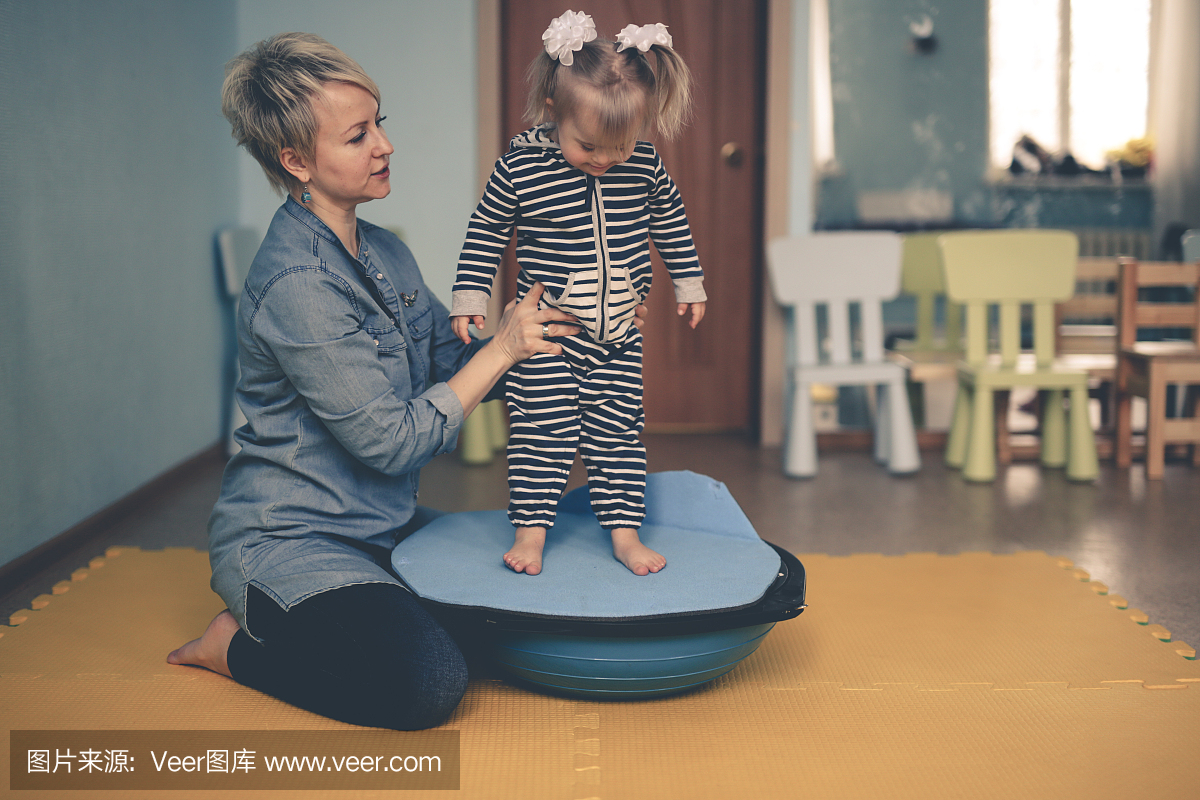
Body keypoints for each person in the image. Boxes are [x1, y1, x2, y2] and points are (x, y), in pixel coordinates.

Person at [166, 32, 645, 731]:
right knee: (430, 684)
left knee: (520, 621)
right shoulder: (297, 283)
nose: (384, 145)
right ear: (295, 160)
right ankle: (232, 648)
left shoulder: (384, 249)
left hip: (384, 530)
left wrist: (558, 329)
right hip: (293, 545)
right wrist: (503, 351)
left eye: (379, 123)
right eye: (358, 136)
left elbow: (450, 368)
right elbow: (390, 443)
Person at [449, 11, 706, 578]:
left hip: (616, 337)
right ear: (552, 111)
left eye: (620, 145)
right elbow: (486, 229)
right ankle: (532, 533)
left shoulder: (643, 164)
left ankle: (624, 533)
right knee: (545, 432)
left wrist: (689, 282)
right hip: (546, 335)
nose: (605, 159)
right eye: (588, 145)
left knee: (617, 435)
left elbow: (670, 221)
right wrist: (471, 296)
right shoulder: (522, 162)